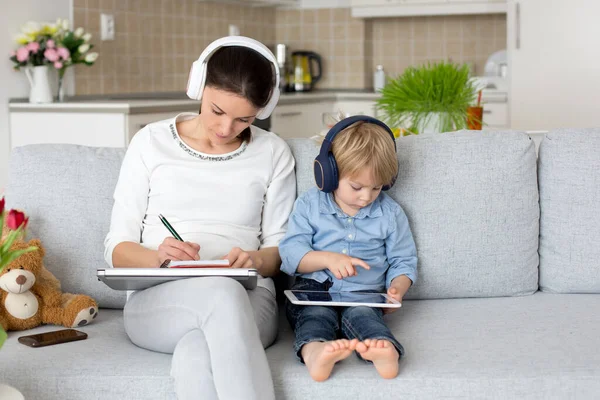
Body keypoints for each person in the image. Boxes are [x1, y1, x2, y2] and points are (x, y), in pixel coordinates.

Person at [104, 36, 296, 400]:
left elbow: (280, 248)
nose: (226, 130)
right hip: (158, 300)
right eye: (217, 111)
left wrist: (255, 260)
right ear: (198, 87)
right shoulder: (149, 143)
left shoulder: (274, 153)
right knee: (220, 292)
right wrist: (158, 257)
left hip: (250, 300)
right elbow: (116, 248)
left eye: (244, 119)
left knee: (197, 350)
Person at [279, 115, 417, 382]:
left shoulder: (390, 214)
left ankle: (383, 350)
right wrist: (326, 259)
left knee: (366, 318)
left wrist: (398, 288)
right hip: (314, 292)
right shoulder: (309, 205)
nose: (366, 197)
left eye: (376, 187)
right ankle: (315, 352)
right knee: (315, 317)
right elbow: (289, 253)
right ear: (329, 173)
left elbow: (403, 261)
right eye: (357, 186)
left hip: (364, 294)